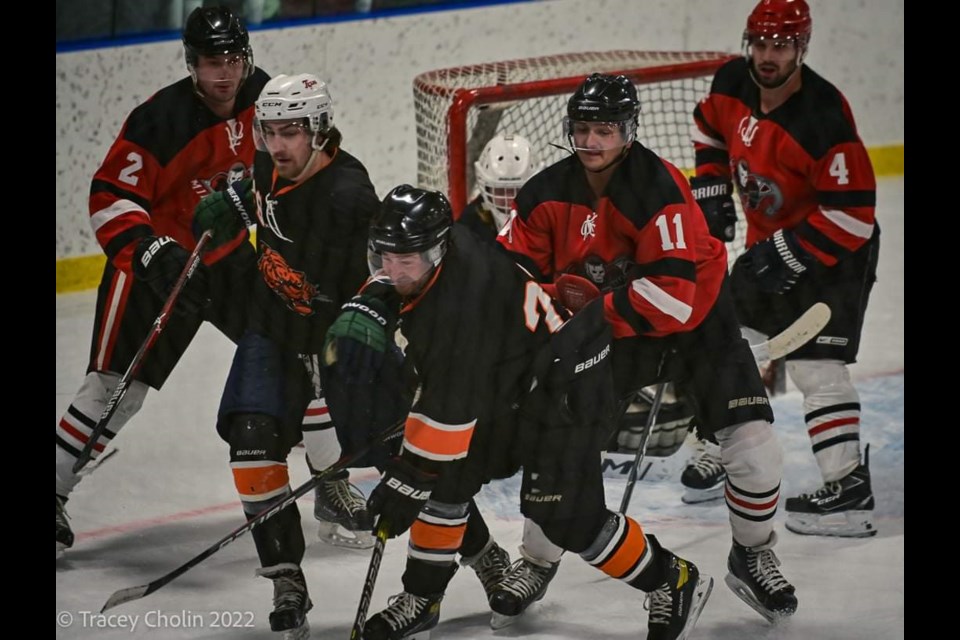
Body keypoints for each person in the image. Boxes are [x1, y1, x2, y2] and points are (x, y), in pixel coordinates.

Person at [323, 185, 712, 640]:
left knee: (567, 518)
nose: (390, 271)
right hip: (510, 380)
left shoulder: (461, 307)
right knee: (446, 482)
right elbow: (447, 382)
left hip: (565, 387)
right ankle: (423, 596)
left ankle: (674, 579)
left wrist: (407, 477)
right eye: (382, 258)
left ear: (437, 250)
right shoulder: (432, 259)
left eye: (402, 262)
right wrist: (370, 301)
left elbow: (450, 408)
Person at [496, 72, 798, 624]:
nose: (591, 141)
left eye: (604, 130)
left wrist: (582, 318)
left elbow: (675, 301)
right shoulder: (544, 192)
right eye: (582, 128)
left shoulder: (658, 190)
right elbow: (511, 274)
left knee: (754, 446)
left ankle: (752, 553)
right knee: (557, 440)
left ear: (629, 132)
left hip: (696, 322)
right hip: (616, 327)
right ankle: (538, 559)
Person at [55, 5, 269, 558]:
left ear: (246, 59)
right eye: (208, 62)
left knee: (290, 345)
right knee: (113, 388)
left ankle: (330, 475)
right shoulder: (159, 120)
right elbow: (109, 197)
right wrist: (151, 249)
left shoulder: (266, 97)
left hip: (226, 258)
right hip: (157, 265)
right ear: (191, 65)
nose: (222, 73)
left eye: (231, 60)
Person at [190, 71, 382, 636]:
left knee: (408, 457)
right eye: (268, 130)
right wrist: (233, 203)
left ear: (320, 130)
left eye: (292, 131)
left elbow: (377, 276)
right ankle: (285, 577)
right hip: (270, 327)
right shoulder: (266, 166)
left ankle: (482, 556)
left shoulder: (349, 196)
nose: (278, 144)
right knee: (251, 442)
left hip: (331, 340)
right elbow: (259, 204)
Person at [689, 0, 879, 538]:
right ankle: (722, 450)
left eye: (782, 46)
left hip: (832, 253)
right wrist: (707, 188)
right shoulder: (731, 81)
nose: (769, 56)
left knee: (816, 369)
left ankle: (849, 493)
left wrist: (789, 253)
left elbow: (855, 215)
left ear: (802, 48)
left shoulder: (824, 116)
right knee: (729, 338)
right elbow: (708, 129)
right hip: (769, 243)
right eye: (762, 44)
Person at [459, 132, 543, 241]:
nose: (509, 199)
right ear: (487, 188)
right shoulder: (470, 226)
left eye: (517, 190)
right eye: (500, 190)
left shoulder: (552, 220)